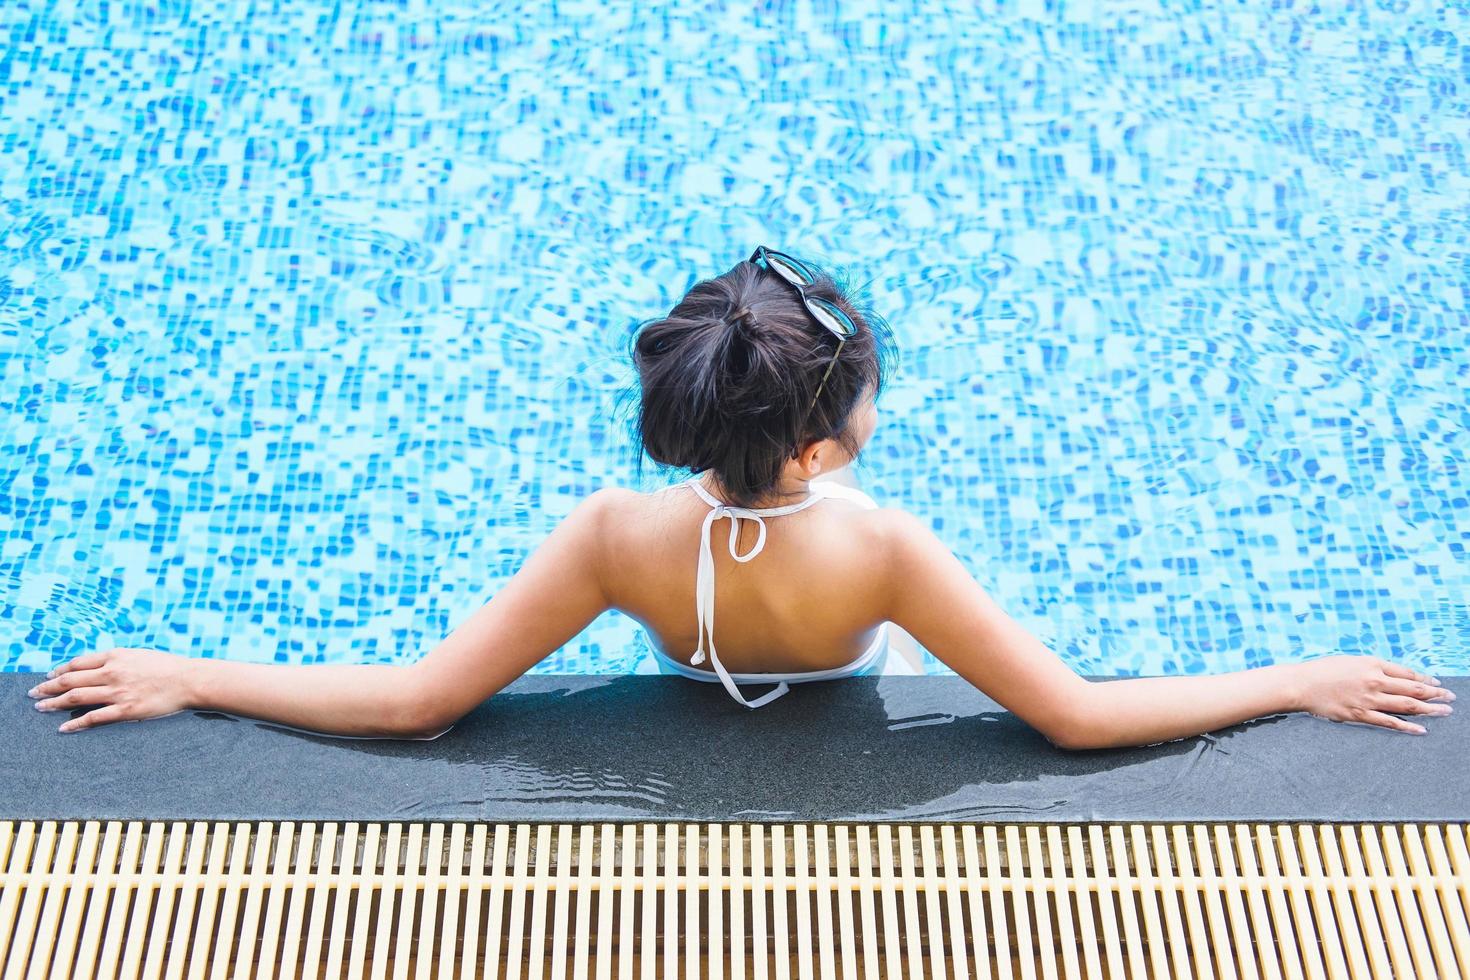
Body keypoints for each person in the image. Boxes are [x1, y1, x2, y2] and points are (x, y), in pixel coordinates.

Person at [27, 247, 1454, 745]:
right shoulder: (884, 555)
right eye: (868, 394)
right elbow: (1074, 716)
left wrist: (188, 673)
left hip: (697, 662)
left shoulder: (615, 537)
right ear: (825, 449)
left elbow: (417, 702)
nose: (877, 405)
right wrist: (1295, 677)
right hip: (842, 690)